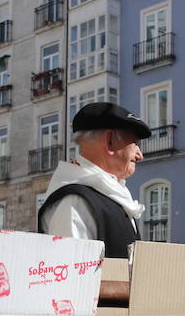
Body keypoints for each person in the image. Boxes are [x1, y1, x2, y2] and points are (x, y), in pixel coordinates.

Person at [38, 102, 151, 258]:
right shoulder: (75, 203)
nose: (140, 155)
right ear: (109, 141)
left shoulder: (110, 196)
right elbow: (72, 275)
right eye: (135, 144)